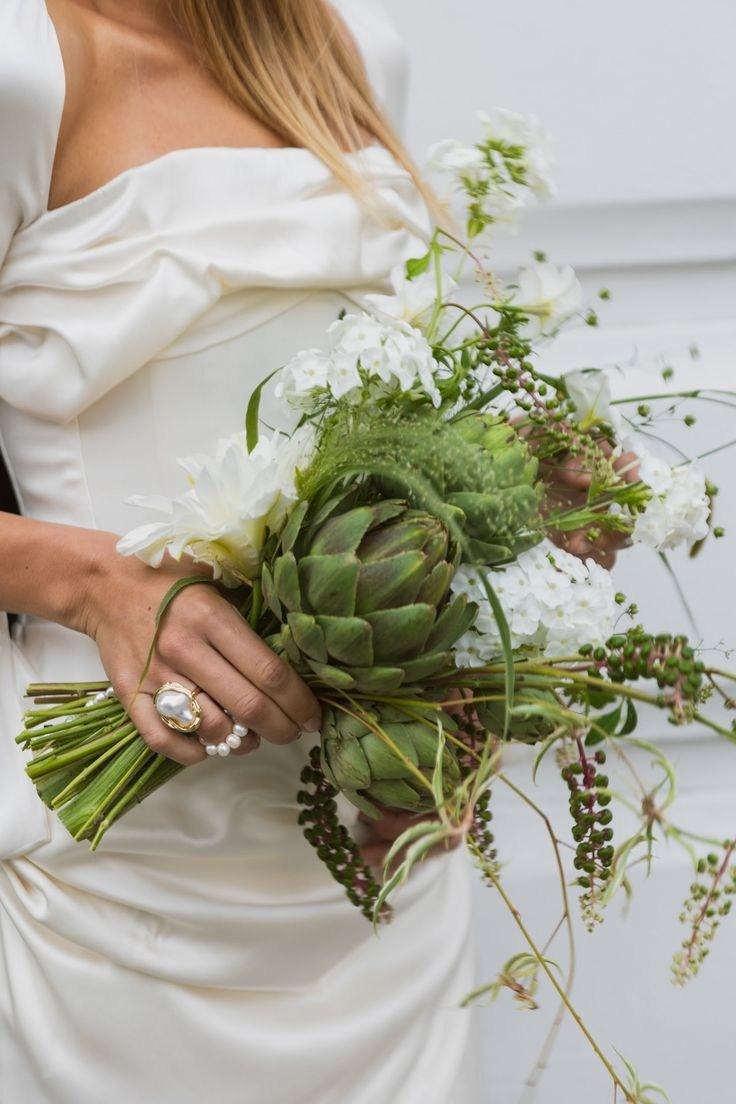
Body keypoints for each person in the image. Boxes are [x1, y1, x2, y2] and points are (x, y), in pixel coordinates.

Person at [0, 3, 634, 1101]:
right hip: (107, 898)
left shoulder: (351, 44)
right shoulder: (25, 64)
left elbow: (371, 413)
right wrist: (91, 580)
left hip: (374, 892)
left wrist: (511, 496)